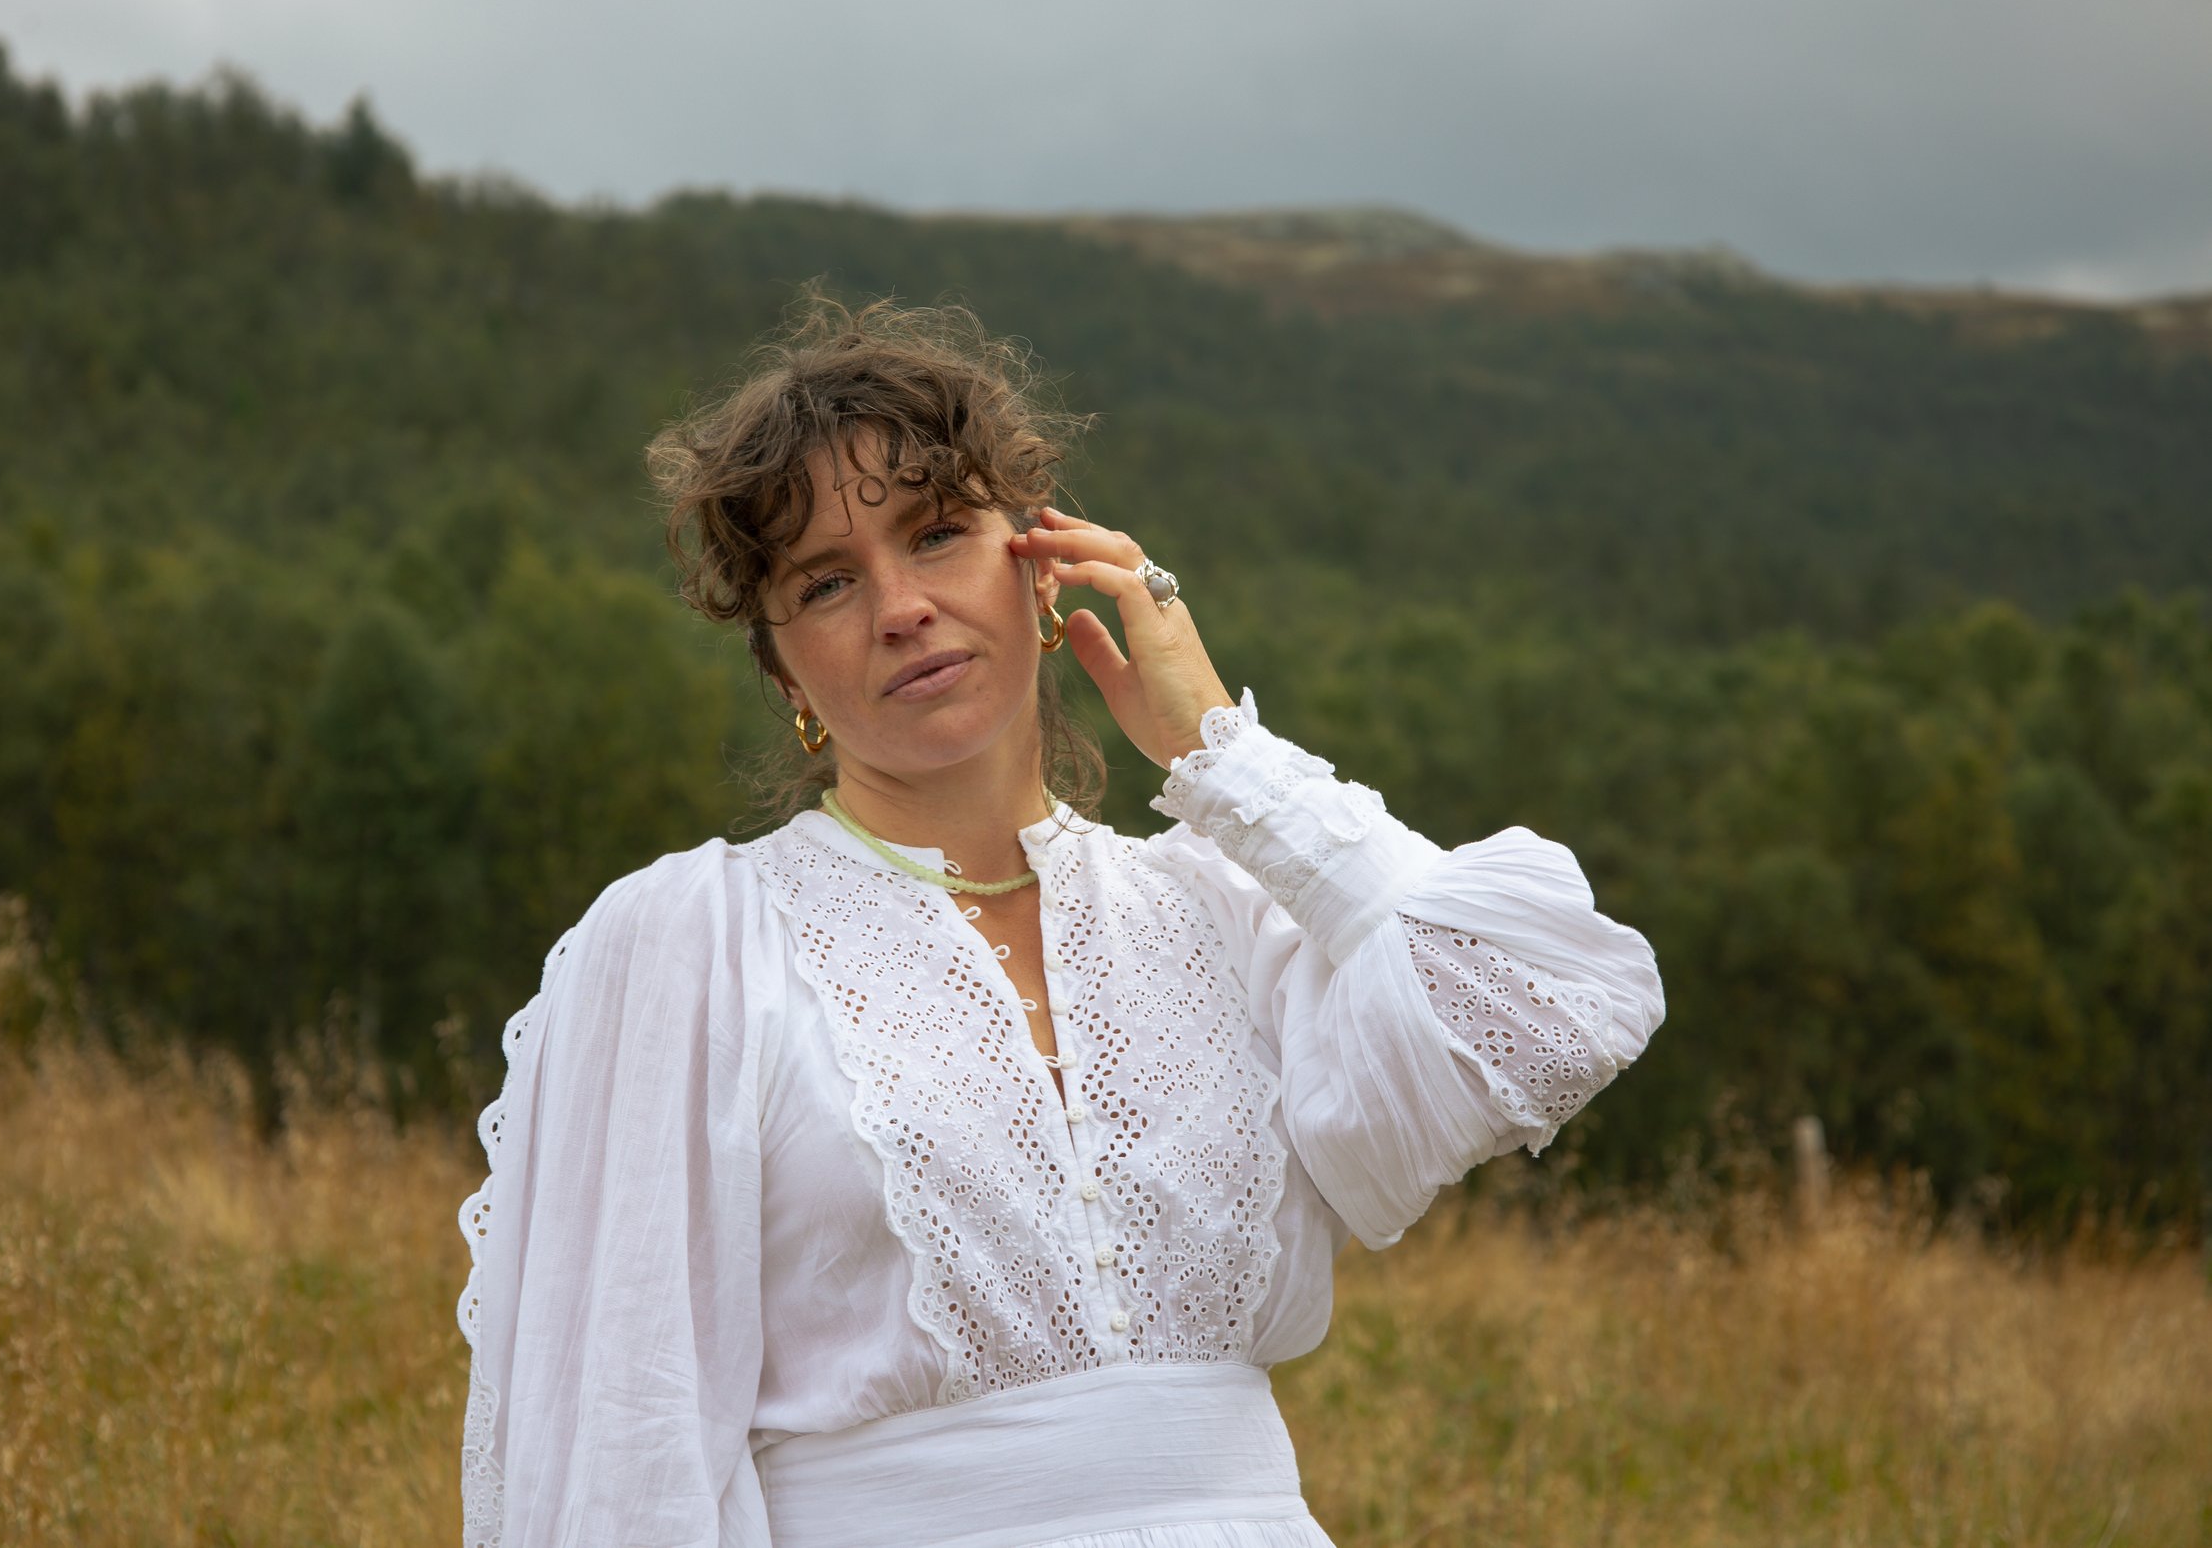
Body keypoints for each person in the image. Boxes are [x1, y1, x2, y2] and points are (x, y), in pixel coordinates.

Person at [454, 293, 1665, 1548]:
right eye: (826, 582)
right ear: (783, 669)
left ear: (1040, 562)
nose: (899, 606)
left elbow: (1553, 1010)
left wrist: (1223, 755)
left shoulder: (1222, 908)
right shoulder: (693, 942)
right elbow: (619, 1438)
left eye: (936, 533)